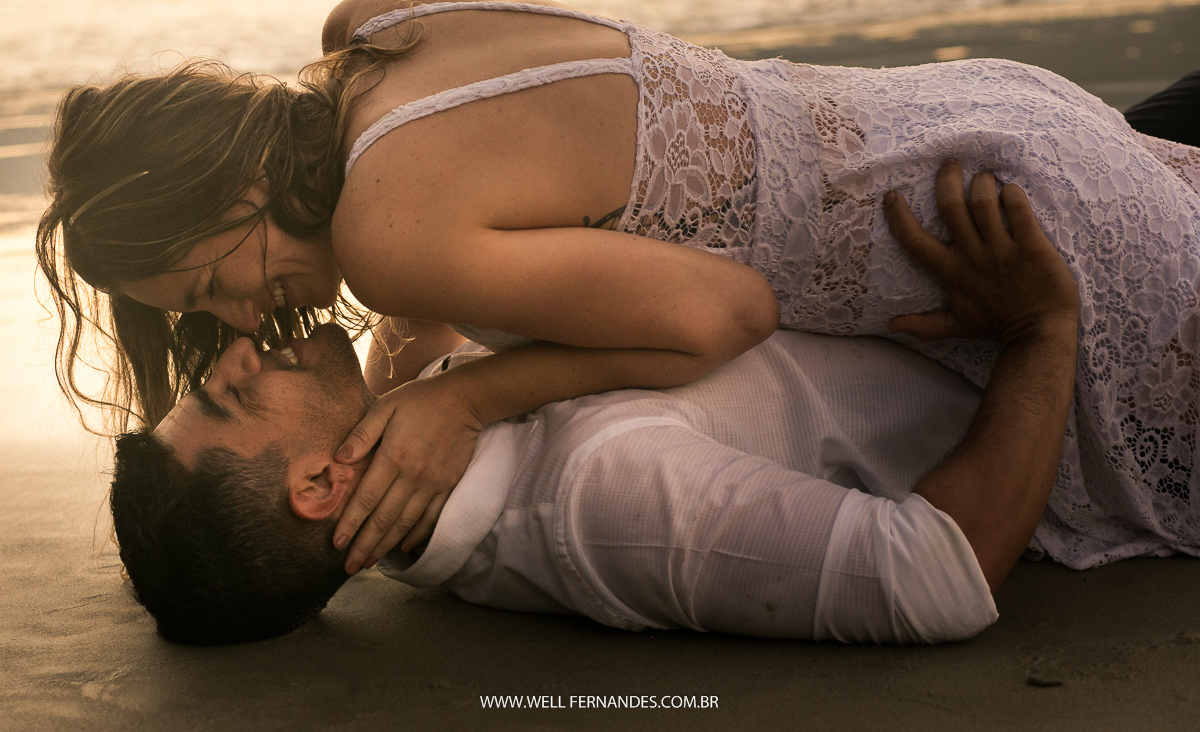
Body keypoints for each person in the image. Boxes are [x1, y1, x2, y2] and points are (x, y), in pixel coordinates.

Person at [40, 0, 1200, 578]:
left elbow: (726, 312)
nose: (240, 319)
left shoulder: (390, 235)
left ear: (230, 185)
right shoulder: (369, 32)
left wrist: (465, 397)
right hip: (974, 120)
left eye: (205, 283)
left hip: (991, 236)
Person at [112, 168, 1079, 644]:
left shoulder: (418, 443)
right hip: (1062, 371)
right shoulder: (603, 495)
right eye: (236, 392)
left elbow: (418, 292)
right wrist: (1043, 330)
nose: (240, 349)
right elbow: (935, 579)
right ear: (321, 484)